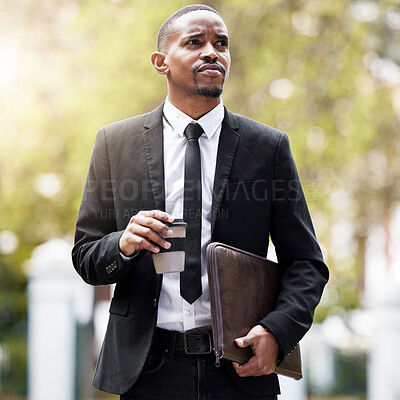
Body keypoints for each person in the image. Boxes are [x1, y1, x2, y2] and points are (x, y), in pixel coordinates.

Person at [72, 4, 329, 400]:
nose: (212, 51)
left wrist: (278, 330)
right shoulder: (115, 143)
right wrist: (123, 243)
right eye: (195, 42)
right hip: (147, 371)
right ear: (161, 62)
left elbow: (307, 264)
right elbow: (86, 256)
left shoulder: (268, 147)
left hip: (239, 369)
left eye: (221, 43)